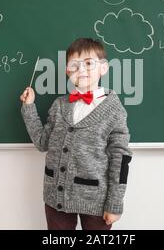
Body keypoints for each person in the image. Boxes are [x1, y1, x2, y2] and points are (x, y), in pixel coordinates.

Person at [20, 37, 132, 230]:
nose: (81, 70)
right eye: (74, 65)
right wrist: (29, 107)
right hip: (56, 197)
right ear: (67, 72)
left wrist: (115, 203)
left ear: (103, 68)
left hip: (95, 201)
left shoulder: (114, 110)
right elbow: (41, 142)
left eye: (89, 63)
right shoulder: (59, 105)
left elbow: (120, 158)